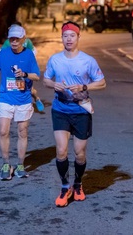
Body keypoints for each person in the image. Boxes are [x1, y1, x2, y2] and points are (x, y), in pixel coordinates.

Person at [43, 21, 106, 207]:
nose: (68, 39)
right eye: (65, 36)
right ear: (61, 38)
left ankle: (78, 184)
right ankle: (65, 187)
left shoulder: (88, 61)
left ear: (78, 37)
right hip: (60, 109)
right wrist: (54, 84)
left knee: (80, 153)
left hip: (80, 111)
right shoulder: (55, 59)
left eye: (72, 35)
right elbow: (46, 79)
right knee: (61, 151)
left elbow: (102, 83)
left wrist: (84, 86)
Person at [0, 24, 40, 180]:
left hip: (24, 98)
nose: (14, 42)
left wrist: (25, 74)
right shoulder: (4, 54)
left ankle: (20, 164)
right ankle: (6, 164)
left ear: (23, 39)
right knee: (3, 131)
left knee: (22, 131)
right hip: (6, 97)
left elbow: (37, 76)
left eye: (17, 39)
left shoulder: (29, 55)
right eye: (11, 38)